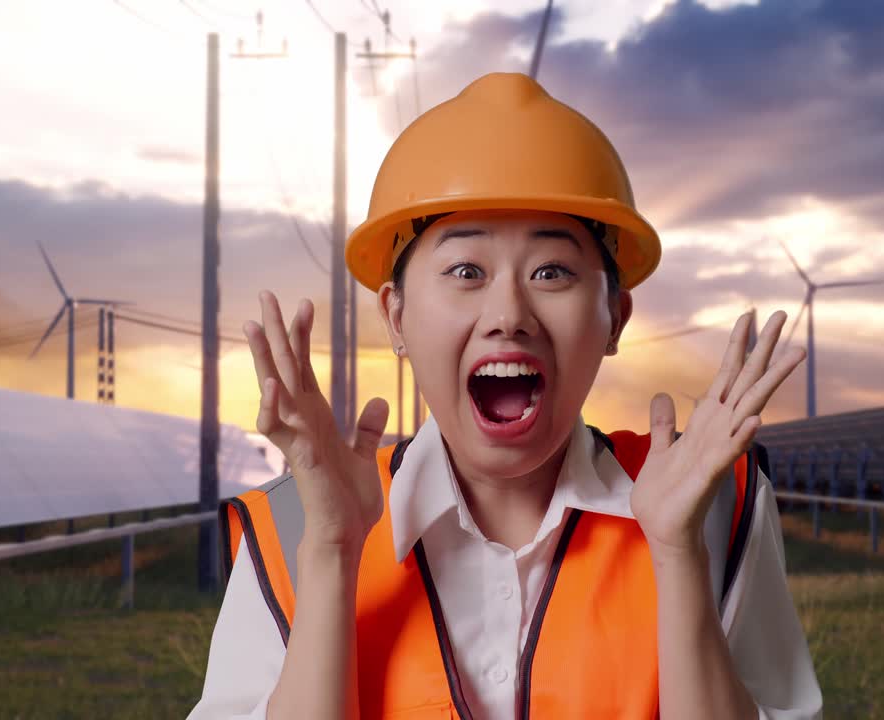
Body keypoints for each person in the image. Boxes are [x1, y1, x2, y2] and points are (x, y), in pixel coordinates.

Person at [188, 72, 822, 719]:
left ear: (615, 317)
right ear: (396, 316)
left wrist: (680, 556)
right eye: (466, 271)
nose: (509, 315)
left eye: (552, 271)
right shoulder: (296, 525)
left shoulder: (712, 505)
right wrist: (330, 551)